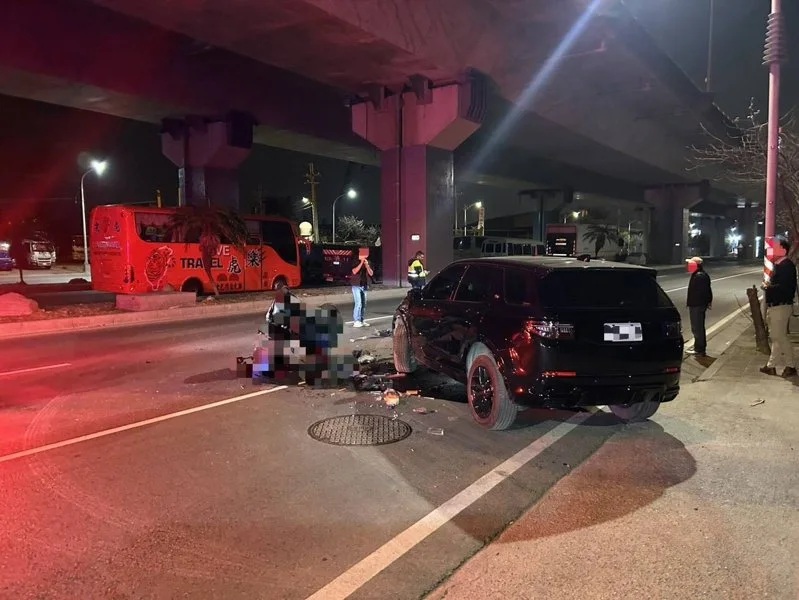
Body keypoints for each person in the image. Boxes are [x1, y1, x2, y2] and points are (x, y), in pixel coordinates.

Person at [760, 238, 797, 377]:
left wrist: (768, 287)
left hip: (780, 306)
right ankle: (771, 366)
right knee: (776, 337)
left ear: (783, 250)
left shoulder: (786, 266)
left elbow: (785, 289)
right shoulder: (781, 265)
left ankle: (791, 365)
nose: (770, 250)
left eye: (774, 248)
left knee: (780, 337)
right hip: (778, 306)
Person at [685, 256, 712, 357]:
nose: (688, 266)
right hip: (697, 304)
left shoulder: (699, 276)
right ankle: (699, 347)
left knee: (697, 328)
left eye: (690, 264)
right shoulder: (698, 275)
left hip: (697, 305)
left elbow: (703, 292)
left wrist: (702, 303)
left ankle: (699, 349)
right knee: (697, 327)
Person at [350, 247, 373, 328]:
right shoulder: (355, 261)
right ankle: (356, 321)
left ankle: (361, 320)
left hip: (365, 285)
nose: (365, 256)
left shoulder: (368, 262)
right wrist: (361, 263)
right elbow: (354, 271)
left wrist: (367, 265)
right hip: (356, 285)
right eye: (363, 254)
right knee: (358, 303)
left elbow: (371, 273)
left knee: (363, 304)